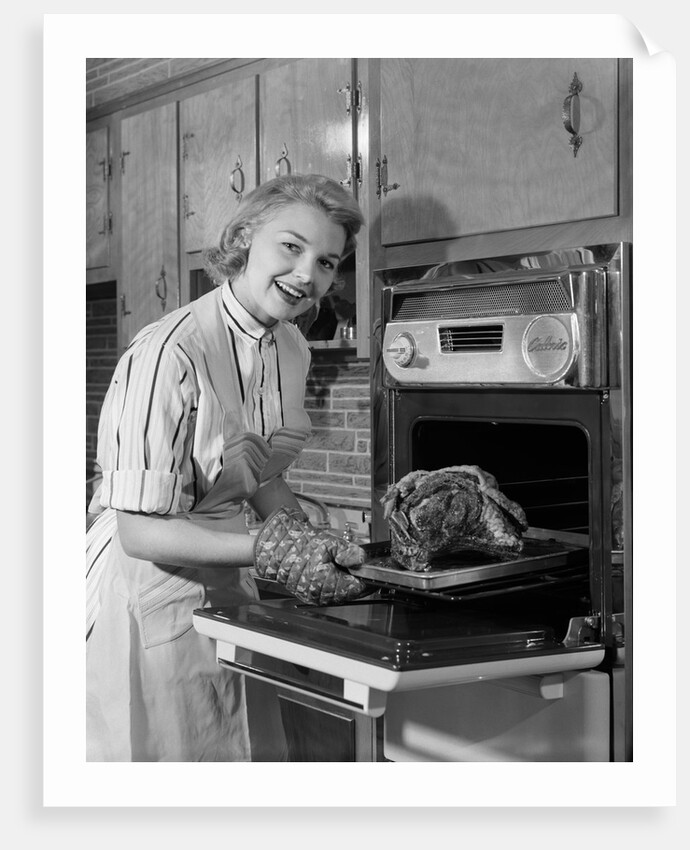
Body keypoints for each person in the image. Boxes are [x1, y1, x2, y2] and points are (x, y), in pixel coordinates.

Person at [85, 174, 365, 762]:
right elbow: (139, 532)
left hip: (222, 583)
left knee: (241, 759)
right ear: (244, 238)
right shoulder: (168, 350)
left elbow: (259, 475)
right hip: (148, 590)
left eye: (326, 261)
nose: (307, 274)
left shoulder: (291, 346)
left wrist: (318, 544)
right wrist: (275, 547)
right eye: (291, 247)